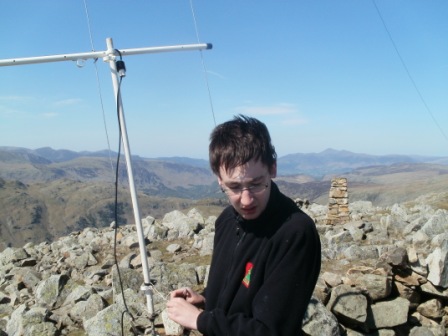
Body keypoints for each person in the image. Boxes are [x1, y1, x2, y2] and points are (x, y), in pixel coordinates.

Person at [167, 115, 321, 335]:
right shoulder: (226, 221)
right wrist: (206, 298)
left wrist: (201, 321)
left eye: (256, 184)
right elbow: (235, 287)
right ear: (219, 179)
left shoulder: (295, 233)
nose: (246, 199)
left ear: (273, 169)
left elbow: (269, 331)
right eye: (234, 187)